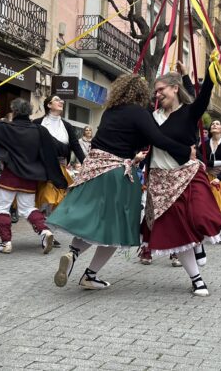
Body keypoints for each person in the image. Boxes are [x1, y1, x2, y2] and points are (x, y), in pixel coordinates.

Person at [49, 74, 194, 290]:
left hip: (94, 170)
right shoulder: (138, 112)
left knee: (94, 222)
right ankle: (90, 274)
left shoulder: (110, 112)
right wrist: (185, 151)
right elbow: (158, 139)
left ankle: (73, 253)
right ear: (140, 94)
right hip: (118, 174)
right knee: (117, 230)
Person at [140, 71, 221, 293]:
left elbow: (203, 97)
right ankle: (197, 279)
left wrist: (210, 72)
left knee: (200, 215)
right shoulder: (151, 116)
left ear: (175, 88)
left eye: (161, 90)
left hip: (187, 172)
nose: (158, 94)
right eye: (156, 91)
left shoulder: (188, 112)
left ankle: (199, 244)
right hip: (160, 179)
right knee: (179, 230)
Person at [0, 100, 66, 254]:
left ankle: (6, 242)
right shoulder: (40, 130)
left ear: (14, 111)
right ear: (29, 112)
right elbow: (60, 148)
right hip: (30, 178)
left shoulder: (5, 127)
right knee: (28, 209)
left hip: (10, 175)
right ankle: (45, 232)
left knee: (1, 208)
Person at [34, 95, 86, 212]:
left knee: (58, 195)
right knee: (46, 194)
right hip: (43, 167)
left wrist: (85, 162)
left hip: (60, 166)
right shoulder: (37, 123)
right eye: (57, 100)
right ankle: (42, 218)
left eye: (61, 100)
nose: (61, 101)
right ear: (49, 105)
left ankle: (49, 219)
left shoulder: (67, 125)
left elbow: (75, 145)